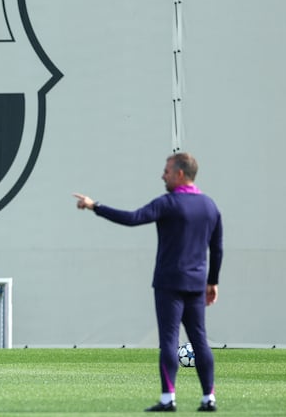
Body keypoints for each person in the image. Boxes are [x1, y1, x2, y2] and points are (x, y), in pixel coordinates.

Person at [73, 152, 223, 412]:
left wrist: (94, 205)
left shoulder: (169, 203)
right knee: (199, 339)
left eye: (166, 171)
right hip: (197, 283)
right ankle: (208, 397)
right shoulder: (210, 206)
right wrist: (213, 282)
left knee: (169, 339)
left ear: (179, 174)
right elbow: (217, 248)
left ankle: (168, 399)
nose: (162, 175)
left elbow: (132, 218)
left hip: (169, 282)